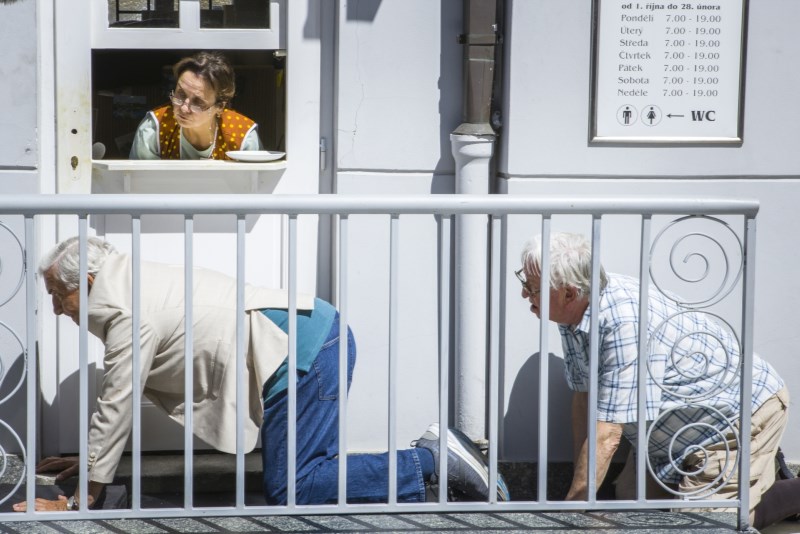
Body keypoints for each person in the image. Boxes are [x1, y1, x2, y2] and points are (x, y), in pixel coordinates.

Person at [14, 237, 509, 512]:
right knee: (305, 476)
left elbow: (117, 402)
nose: (56, 309)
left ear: (89, 283)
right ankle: (439, 469)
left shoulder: (126, 310)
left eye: (59, 295)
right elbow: (117, 402)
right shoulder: (127, 286)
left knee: (295, 489)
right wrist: (92, 461)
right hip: (311, 340)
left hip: (303, 351)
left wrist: (80, 502)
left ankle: (431, 464)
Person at [516, 232, 800, 529]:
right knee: (631, 506)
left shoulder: (624, 321)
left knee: (703, 525)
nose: (525, 294)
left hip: (731, 421)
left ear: (569, 293)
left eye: (532, 288)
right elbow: (584, 396)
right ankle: (756, 476)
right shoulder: (575, 310)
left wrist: (566, 519)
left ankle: (788, 491)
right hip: (668, 435)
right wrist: (581, 499)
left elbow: (608, 435)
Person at [129, 51, 263, 160]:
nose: (184, 108)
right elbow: (141, 181)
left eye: (198, 102)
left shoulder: (242, 137)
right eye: (180, 94)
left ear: (220, 107)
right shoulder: (154, 128)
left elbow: (256, 182)